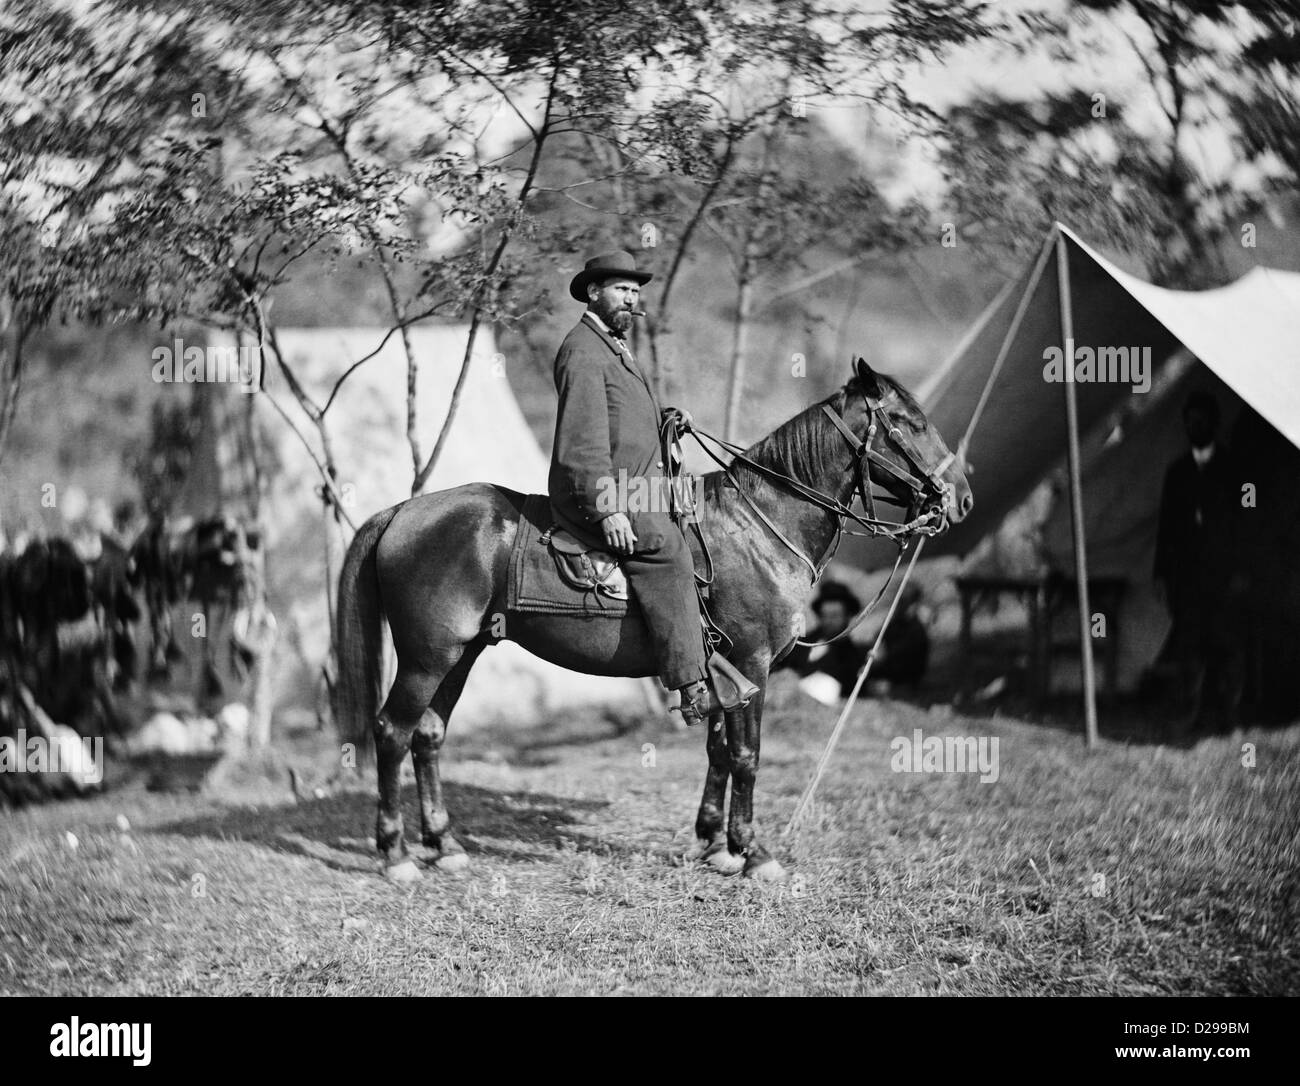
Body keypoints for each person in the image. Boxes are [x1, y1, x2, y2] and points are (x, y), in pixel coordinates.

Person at [547, 250, 753, 725]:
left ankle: (718, 642)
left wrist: (665, 423)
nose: (631, 298)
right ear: (593, 291)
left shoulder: (614, 346)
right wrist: (607, 511)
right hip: (601, 491)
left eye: (635, 292)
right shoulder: (582, 350)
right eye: (621, 289)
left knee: (708, 516)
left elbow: (622, 422)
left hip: (636, 485)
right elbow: (582, 445)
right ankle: (692, 683)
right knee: (665, 547)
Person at [1153, 389, 1248, 732]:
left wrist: (1241, 571)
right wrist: (1161, 575)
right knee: (1190, 648)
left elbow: (1245, 523)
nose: (1195, 426)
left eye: (1201, 420)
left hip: (1224, 576)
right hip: (1188, 577)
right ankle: (1189, 713)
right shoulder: (1176, 473)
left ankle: (1229, 715)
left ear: (1214, 423)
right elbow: (1166, 526)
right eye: (1189, 421)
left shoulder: (1234, 471)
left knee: (1227, 645)